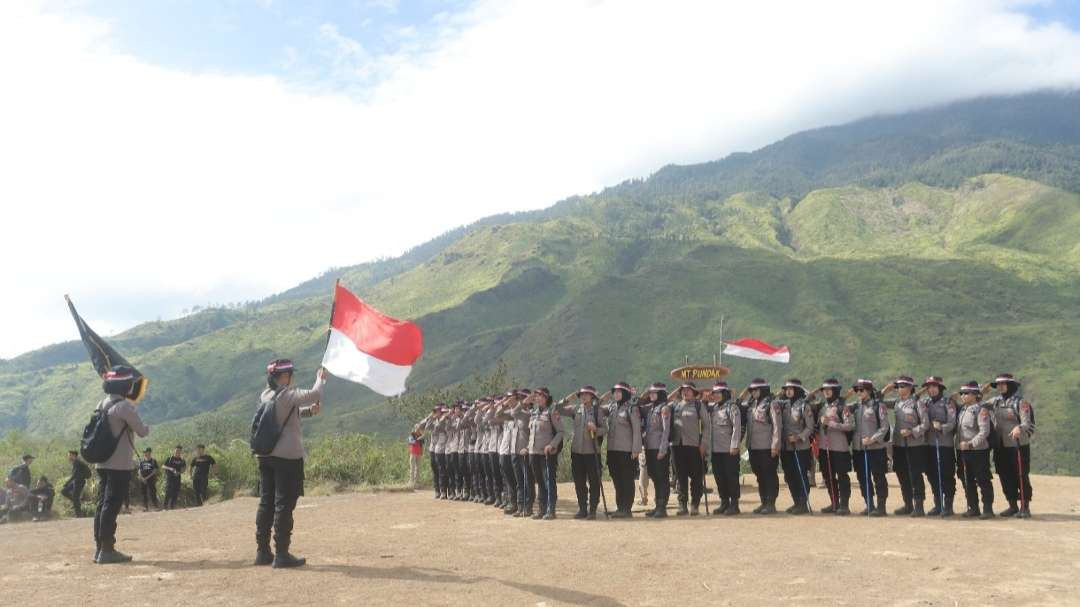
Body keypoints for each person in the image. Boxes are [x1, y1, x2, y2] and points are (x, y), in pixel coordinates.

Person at [254, 359, 326, 568]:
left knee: (266, 502)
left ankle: (263, 552)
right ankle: (282, 554)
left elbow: (286, 414)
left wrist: (309, 411)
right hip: (286, 458)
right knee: (284, 504)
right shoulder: (286, 393)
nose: (292, 378)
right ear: (284, 376)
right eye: (290, 375)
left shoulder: (266, 394)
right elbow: (315, 394)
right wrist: (320, 379)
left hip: (265, 455)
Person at [93, 366, 151, 564]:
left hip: (102, 463)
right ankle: (107, 550)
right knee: (112, 504)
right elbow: (142, 431)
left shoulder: (102, 403)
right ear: (124, 385)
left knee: (102, 504)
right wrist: (147, 427)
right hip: (119, 464)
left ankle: (100, 548)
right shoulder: (124, 407)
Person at [986, 373, 1034, 518]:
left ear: (1010, 385)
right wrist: (981, 392)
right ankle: (1012, 505)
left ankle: (1025, 507)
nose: (1000, 387)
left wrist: (1019, 427)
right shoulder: (995, 401)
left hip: (1018, 445)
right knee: (1004, 475)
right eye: (998, 384)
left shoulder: (1021, 402)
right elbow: (977, 404)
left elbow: (1027, 422)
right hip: (1000, 445)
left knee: (1020, 474)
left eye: (1003, 384)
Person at [556, 385, 608, 520]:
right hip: (577, 452)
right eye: (581, 395)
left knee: (594, 482)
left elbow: (605, 430)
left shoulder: (598, 411)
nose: (583, 396)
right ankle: (582, 509)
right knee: (579, 482)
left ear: (592, 397)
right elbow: (558, 409)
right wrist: (568, 399)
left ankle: (592, 510)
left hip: (592, 452)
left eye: (587, 394)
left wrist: (595, 429)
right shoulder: (575, 410)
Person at [882, 376, 930, 516]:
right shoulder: (896, 402)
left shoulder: (917, 404)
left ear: (910, 387)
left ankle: (919, 506)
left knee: (915, 475)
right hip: (899, 444)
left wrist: (912, 431)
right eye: (897, 386)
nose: (899, 389)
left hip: (914, 445)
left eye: (902, 386)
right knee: (902, 474)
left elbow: (925, 424)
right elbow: (878, 402)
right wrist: (885, 389)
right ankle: (908, 504)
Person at [813, 379, 854, 515]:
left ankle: (844, 505)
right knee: (828, 477)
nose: (826, 392)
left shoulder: (843, 407)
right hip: (824, 449)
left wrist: (831, 423)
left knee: (842, 477)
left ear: (835, 391)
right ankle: (834, 503)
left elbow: (850, 426)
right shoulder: (822, 407)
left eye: (829, 390)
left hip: (840, 448)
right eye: (824, 390)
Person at [601, 382, 642, 518]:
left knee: (627, 479)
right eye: (614, 392)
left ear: (625, 393)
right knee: (617, 479)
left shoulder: (631, 408)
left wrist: (636, 449)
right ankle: (620, 507)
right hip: (612, 450)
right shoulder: (612, 407)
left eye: (619, 392)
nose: (616, 394)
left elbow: (637, 430)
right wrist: (603, 398)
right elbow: (596, 408)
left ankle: (626, 508)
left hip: (626, 450)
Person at [740, 378, 781, 515]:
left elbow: (777, 426)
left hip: (767, 447)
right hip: (753, 447)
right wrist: (745, 391)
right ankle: (763, 501)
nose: (753, 392)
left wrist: (775, 445)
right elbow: (737, 403)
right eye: (751, 390)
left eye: (756, 390)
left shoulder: (771, 404)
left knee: (769, 474)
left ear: (763, 390)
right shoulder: (751, 404)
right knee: (759, 475)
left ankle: (771, 503)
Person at [850, 379, 890, 516]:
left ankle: (881, 507)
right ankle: (869, 505)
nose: (858, 393)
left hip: (875, 448)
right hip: (859, 449)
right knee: (862, 478)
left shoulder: (878, 406)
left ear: (869, 391)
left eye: (861, 390)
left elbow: (885, 427)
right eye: (857, 390)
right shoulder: (856, 406)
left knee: (878, 477)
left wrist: (872, 439)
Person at [956, 381, 994, 519]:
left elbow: (984, 432)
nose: (963, 396)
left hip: (978, 451)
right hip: (962, 451)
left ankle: (988, 509)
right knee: (967, 479)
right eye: (962, 393)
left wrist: (971, 444)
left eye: (966, 393)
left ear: (974, 395)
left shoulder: (981, 410)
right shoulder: (962, 410)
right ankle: (973, 507)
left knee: (983, 480)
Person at [703, 381, 742, 515]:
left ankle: (734, 504)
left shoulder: (732, 408)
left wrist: (735, 445)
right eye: (715, 393)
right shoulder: (714, 408)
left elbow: (737, 428)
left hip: (729, 450)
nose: (716, 395)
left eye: (719, 393)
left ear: (725, 393)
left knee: (731, 477)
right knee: (719, 477)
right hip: (716, 450)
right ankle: (724, 502)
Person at [921, 376, 957, 516]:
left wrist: (941, 427)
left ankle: (948, 506)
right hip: (929, 444)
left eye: (934, 386)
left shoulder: (949, 403)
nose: (931, 389)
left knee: (947, 475)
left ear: (940, 388)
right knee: (932, 475)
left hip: (944, 445)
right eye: (928, 387)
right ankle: (938, 504)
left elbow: (952, 422)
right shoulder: (925, 403)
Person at [777, 379, 814, 515]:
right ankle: (796, 502)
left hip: (800, 447)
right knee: (790, 476)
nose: (788, 391)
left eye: (791, 388)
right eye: (786, 389)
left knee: (801, 475)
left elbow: (810, 427)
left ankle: (803, 503)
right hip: (786, 447)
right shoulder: (783, 405)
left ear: (797, 390)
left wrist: (798, 437)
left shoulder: (805, 406)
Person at [526, 388, 562, 520]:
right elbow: (531, 434)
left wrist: (552, 445)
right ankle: (541, 509)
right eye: (536, 396)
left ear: (546, 398)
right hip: (533, 452)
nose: (538, 398)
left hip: (547, 453)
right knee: (540, 482)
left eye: (541, 396)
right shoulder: (533, 413)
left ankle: (550, 510)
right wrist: (527, 447)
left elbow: (560, 432)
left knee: (549, 481)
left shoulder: (552, 412)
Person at [670, 383, 706, 516]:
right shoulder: (675, 405)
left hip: (694, 446)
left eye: (688, 390)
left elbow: (707, 426)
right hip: (677, 445)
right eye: (683, 390)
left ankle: (695, 504)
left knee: (696, 477)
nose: (686, 392)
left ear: (694, 392)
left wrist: (704, 443)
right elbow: (665, 403)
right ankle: (682, 504)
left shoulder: (698, 405)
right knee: (681, 477)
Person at [641, 383, 672, 518]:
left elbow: (666, 431)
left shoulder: (664, 408)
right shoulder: (652, 408)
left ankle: (662, 507)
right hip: (650, 448)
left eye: (654, 393)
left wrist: (663, 449)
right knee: (654, 476)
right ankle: (657, 505)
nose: (651, 395)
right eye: (651, 393)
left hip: (659, 449)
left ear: (661, 394)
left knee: (662, 478)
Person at [61, 450, 92, 517]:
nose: (68, 457)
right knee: (64, 491)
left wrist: (67, 483)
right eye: (68, 455)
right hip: (75, 481)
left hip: (79, 482)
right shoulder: (76, 462)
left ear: (74, 456)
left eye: (69, 455)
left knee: (75, 497)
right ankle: (77, 501)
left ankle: (79, 514)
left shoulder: (77, 462)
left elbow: (74, 475)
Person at [162, 445, 186, 510]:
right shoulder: (169, 458)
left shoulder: (182, 460)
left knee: (176, 492)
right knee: (168, 492)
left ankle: (172, 506)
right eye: (177, 450)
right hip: (169, 478)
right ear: (174, 450)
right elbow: (163, 466)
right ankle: (165, 506)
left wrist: (179, 472)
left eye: (179, 451)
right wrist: (170, 468)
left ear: (181, 452)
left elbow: (184, 469)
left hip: (177, 478)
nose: (178, 452)